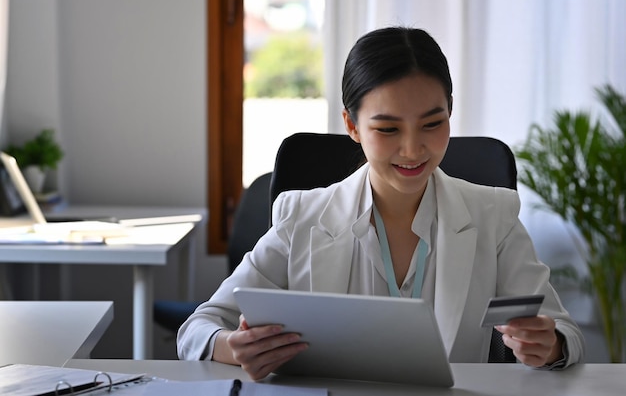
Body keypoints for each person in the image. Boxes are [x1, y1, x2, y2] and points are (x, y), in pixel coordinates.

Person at [177, 27, 584, 380]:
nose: (412, 149)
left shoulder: (493, 216)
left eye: (432, 123)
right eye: (388, 128)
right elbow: (199, 327)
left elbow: (565, 333)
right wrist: (231, 346)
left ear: (450, 114)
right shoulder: (302, 216)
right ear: (352, 126)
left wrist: (550, 346)